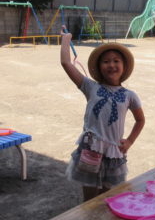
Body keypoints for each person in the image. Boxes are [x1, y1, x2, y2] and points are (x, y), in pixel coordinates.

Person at [60, 28, 145, 201]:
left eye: (116, 61)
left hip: (114, 153)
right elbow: (66, 63)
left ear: (124, 66)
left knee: (107, 198)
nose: (111, 65)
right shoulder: (90, 87)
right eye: (106, 61)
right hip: (91, 150)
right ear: (99, 67)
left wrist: (129, 141)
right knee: (90, 199)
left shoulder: (130, 96)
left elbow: (140, 120)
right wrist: (66, 39)